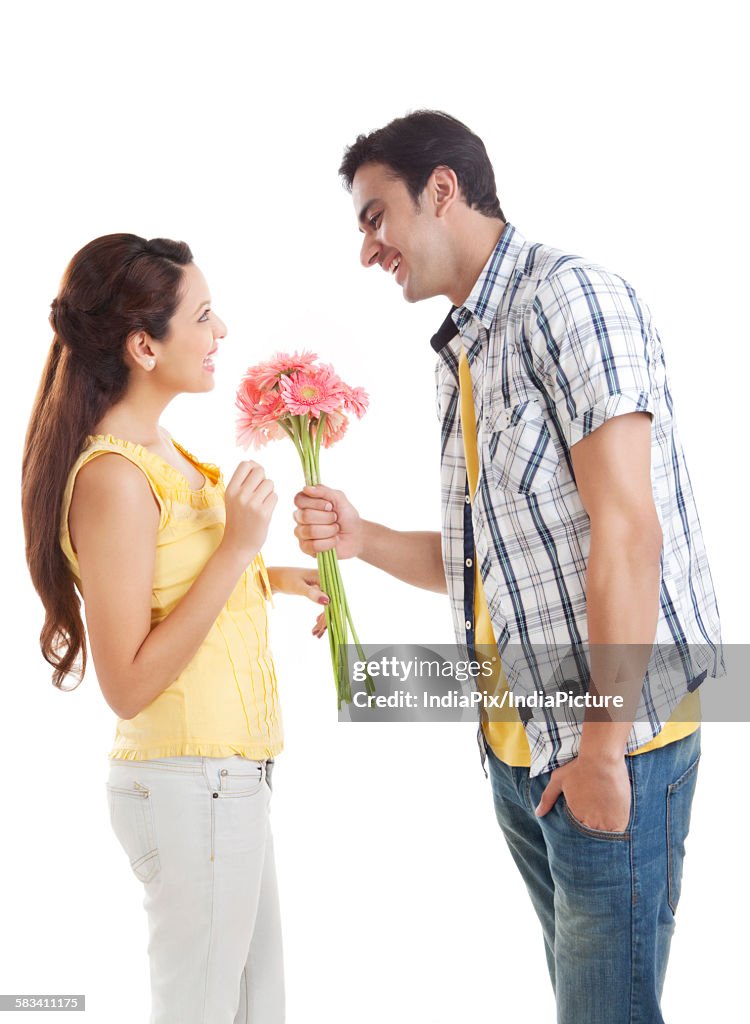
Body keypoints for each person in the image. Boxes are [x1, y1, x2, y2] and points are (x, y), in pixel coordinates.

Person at [292, 111, 724, 1023]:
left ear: (441, 190)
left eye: (376, 216)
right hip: (521, 754)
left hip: (615, 744)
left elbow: (628, 530)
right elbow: (495, 559)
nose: (369, 248)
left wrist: (603, 747)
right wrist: (361, 539)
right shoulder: (465, 348)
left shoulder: (572, 301)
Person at [21, 233, 329, 1024]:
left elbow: (169, 584)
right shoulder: (114, 477)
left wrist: (270, 578)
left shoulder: (159, 449)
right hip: (190, 783)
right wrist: (238, 548)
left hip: (227, 781)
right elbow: (126, 683)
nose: (221, 331)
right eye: (202, 315)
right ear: (143, 346)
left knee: (258, 1011)